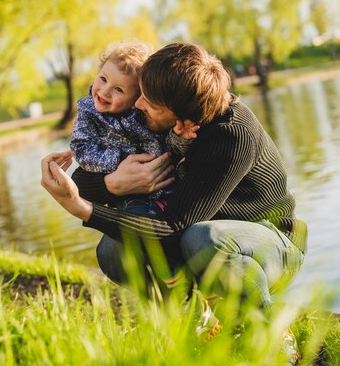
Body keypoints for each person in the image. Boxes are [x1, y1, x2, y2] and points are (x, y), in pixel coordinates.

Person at [41, 43, 307, 363]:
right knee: (113, 250)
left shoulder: (230, 136)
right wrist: (115, 184)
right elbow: (85, 180)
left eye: (149, 102)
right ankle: (197, 322)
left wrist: (84, 210)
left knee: (202, 239)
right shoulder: (167, 121)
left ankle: (269, 332)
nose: (138, 104)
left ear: (179, 117)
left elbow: (172, 225)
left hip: (270, 245)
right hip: (203, 238)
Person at [70, 41, 197, 214]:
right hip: (129, 191)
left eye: (119, 90)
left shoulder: (143, 115)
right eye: (103, 79)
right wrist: (119, 162)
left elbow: (168, 148)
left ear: (137, 98)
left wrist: (180, 137)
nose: (105, 91)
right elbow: (81, 148)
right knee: (134, 214)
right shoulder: (88, 113)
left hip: (166, 184)